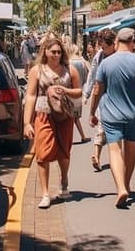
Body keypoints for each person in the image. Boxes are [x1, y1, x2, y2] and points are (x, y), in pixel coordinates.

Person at [89, 27, 135, 209]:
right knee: (131, 151)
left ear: (117, 41)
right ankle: (127, 184)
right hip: (133, 113)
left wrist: (92, 112)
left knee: (114, 151)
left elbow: (97, 90)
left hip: (111, 114)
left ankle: (120, 188)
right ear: (133, 42)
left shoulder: (106, 63)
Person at [22, 38, 82, 209]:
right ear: (45, 52)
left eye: (59, 52)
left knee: (64, 150)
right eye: (53, 52)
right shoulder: (36, 71)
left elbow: (79, 91)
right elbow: (31, 95)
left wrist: (64, 90)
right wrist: (27, 123)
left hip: (64, 115)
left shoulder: (70, 70)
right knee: (42, 153)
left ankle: (64, 181)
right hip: (43, 114)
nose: (56, 55)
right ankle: (45, 193)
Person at [83, 29, 117, 172]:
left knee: (115, 131)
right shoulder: (100, 56)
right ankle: (96, 157)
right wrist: (87, 93)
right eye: (101, 46)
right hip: (103, 98)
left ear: (112, 45)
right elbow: (93, 75)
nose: (102, 49)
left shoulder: (119, 55)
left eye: (104, 47)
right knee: (101, 127)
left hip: (118, 98)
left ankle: (116, 158)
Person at [68, 44, 91, 143]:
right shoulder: (82, 63)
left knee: (71, 117)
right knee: (75, 117)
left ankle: (79, 137)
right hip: (79, 92)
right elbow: (87, 78)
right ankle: (82, 136)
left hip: (69, 92)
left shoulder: (68, 63)